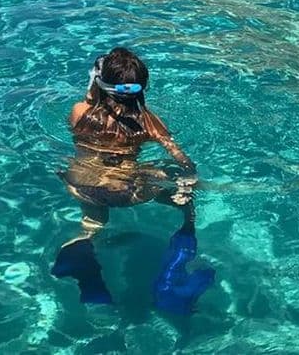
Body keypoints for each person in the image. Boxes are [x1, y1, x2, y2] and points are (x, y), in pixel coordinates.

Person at [51, 47, 214, 312]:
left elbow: (89, 105)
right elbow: (181, 159)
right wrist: (187, 178)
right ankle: (185, 237)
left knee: (93, 223)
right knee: (177, 187)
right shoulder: (149, 123)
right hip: (126, 191)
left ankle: (83, 247)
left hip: (83, 185)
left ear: (99, 83)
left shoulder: (79, 111)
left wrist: (94, 87)